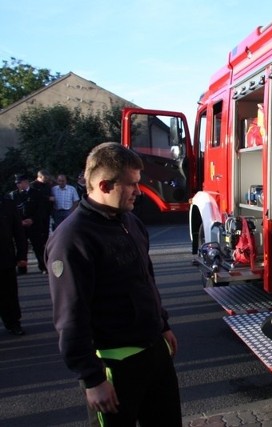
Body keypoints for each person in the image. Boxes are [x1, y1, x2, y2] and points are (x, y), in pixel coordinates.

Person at [45, 142, 182, 426]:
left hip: (155, 353)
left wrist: (163, 324)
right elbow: (70, 316)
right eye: (131, 184)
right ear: (105, 185)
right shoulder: (72, 239)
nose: (138, 191)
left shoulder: (130, 222)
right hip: (114, 366)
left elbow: (146, 279)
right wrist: (92, 379)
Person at [9, 174, 50, 274]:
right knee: (22, 247)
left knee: (38, 246)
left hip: (34, 225)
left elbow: (41, 209)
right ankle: (22, 268)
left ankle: (43, 266)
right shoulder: (13, 195)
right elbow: (12, 211)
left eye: (20, 182)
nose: (18, 185)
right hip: (20, 226)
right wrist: (19, 222)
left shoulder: (36, 193)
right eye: (17, 183)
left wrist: (32, 219)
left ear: (26, 182)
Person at [0, 195, 28, 336]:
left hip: (5, 257)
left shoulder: (8, 204)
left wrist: (22, 255)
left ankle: (13, 323)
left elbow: (18, 231)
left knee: (9, 294)